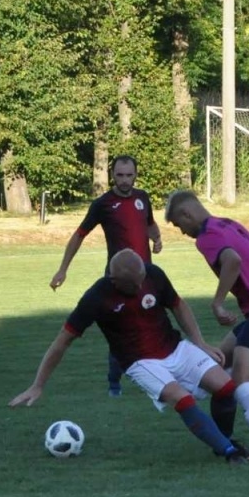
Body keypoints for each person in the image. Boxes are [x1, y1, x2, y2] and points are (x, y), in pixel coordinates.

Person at [10, 250, 249, 464]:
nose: (140, 288)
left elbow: (178, 305)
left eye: (141, 281)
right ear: (114, 280)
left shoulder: (153, 275)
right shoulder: (96, 298)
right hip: (140, 362)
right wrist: (38, 384)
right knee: (182, 399)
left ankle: (224, 441)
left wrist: (199, 342)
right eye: (133, 285)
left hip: (175, 347)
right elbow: (62, 342)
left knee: (226, 388)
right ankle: (229, 452)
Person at [164, 190, 249, 457]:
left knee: (240, 380)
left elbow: (232, 261)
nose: (182, 232)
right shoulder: (228, 223)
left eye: (179, 225)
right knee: (220, 361)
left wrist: (217, 303)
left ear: (187, 214)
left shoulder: (206, 237)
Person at [49, 155, 164, 396]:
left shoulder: (143, 198)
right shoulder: (102, 204)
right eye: (120, 175)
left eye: (129, 175)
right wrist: (63, 269)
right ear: (113, 175)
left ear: (136, 174)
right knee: (121, 330)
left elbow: (150, 223)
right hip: (117, 279)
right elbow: (79, 235)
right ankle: (114, 381)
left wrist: (157, 238)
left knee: (152, 327)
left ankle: (157, 378)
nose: (124, 180)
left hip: (144, 276)